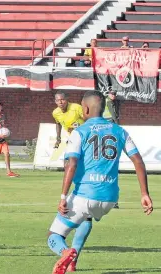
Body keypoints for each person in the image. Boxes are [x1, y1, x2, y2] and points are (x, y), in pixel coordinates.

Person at [46, 91, 153, 274]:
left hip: (85, 195)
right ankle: (73, 263)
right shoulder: (119, 131)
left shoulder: (80, 132)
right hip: (110, 198)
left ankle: (66, 253)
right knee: (86, 217)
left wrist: (63, 196)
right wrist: (144, 194)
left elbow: (71, 163)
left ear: (85, 108)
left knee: (53, 236)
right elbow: (138, 161)